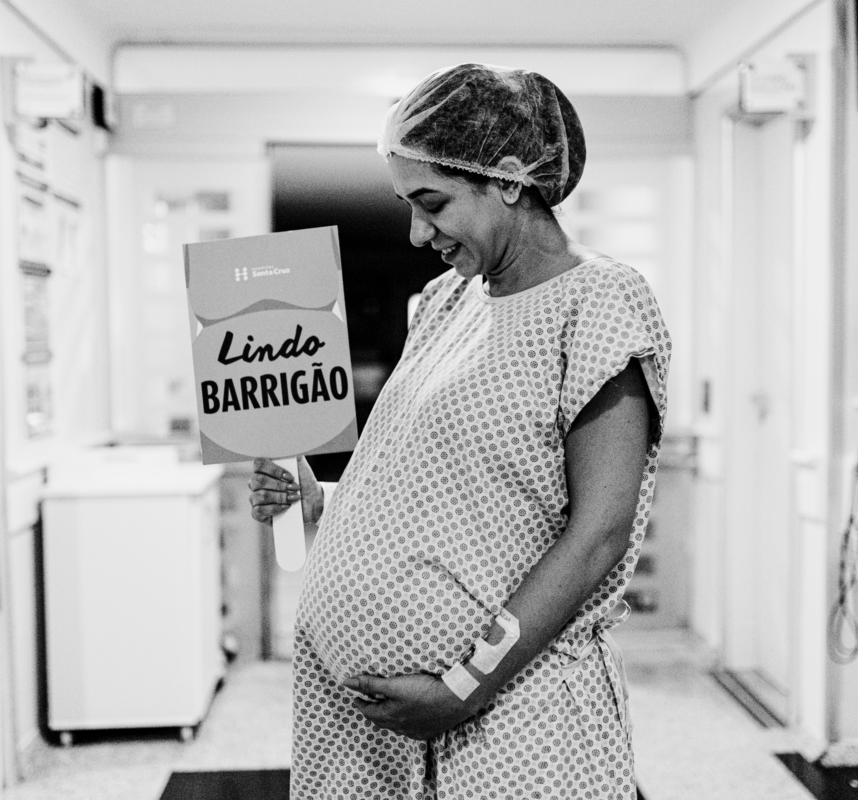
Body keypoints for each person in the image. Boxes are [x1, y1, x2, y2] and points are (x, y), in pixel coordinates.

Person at [248, 63, 670, 799]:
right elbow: (439, 473)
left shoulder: (599, 299)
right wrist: (327, 503)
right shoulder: (449, 300)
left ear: (507, 177)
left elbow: (600, 532)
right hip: (365, 732)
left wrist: (465, 684)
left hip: (509, 714)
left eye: (431, 202)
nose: (416, 233)